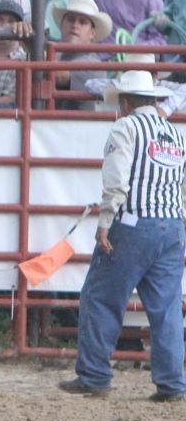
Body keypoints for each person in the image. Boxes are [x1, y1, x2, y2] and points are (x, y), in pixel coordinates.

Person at [60, 68, 186, 402]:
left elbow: (116, 179)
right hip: (172, 225)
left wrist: (105, 221)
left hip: (132, 224)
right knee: (167, 308)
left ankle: (94, 375)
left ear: (126, 102)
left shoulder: (125, 127)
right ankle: (172, 383)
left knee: (100, 298)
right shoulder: (176, 134)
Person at [49, 0, 114, 112]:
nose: (75, 25)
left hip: (75, 128)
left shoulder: (94, 65)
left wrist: (30, 47)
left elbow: (57, 76)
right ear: (62, 26)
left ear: (92, 33)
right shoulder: (55, 56)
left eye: (82, 22)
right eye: (71, 19)